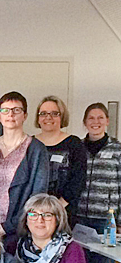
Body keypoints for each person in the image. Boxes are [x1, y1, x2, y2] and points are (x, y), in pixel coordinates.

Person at [0, 91, 49, 253]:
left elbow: (38, 195)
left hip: (18, 229)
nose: (10, 115)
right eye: (5, 110)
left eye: (16, 110)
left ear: (25, 115)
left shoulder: (36, 149)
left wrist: (8, 226)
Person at [77, 103, 121, 263]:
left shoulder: (117, 150)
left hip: (106, 219)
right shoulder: (78, 148)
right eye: (91, 118)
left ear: (107, 121)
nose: (96, 122)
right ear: (85, 122)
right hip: (79, 218)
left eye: (100, 118)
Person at [34, 96, 87, 226]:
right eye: (43, 113)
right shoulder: (30, 143)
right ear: (38, 118)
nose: (48, 117)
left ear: (62, 117)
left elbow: (78, 179)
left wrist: (57, 206)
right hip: (34, 213)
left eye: (54, 113)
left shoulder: (74, 144)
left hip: (64, 212)